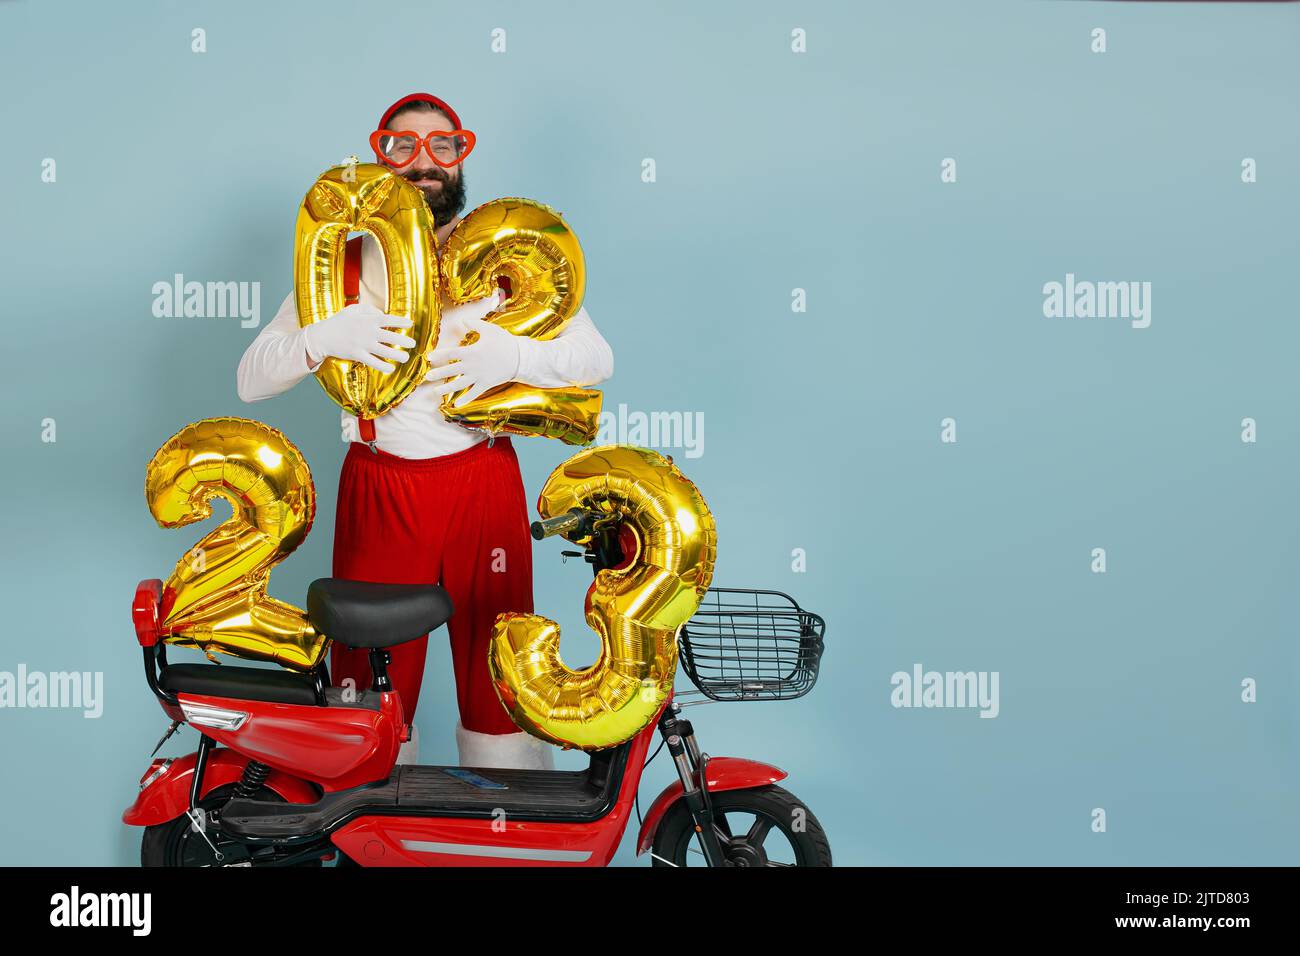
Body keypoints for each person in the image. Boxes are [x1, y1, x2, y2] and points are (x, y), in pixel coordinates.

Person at [236, 92, 613, 770]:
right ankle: (366, 833)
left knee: (497, 670)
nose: (424, 163)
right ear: (381, 160)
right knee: (366, 688)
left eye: (442, 146)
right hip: (382, 489)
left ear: (461, 159)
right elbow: (251, 380)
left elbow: (596, 356)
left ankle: (507, 834)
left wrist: (517, 355)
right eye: (403, 147)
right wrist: (321, 337)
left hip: (484, 484)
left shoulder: (508, 259)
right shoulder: (339, 269)